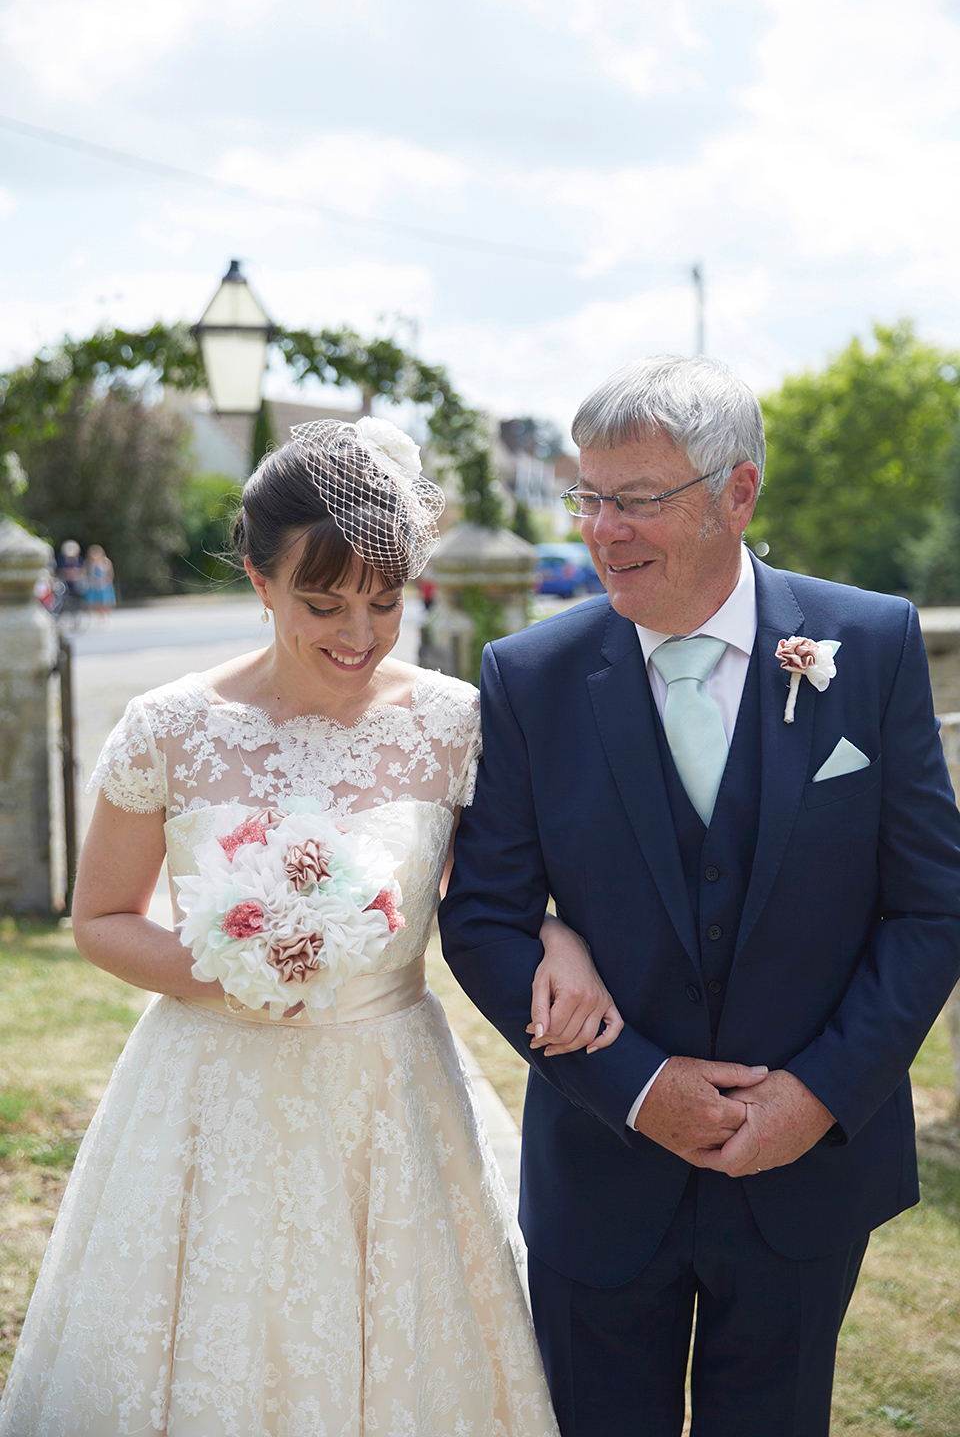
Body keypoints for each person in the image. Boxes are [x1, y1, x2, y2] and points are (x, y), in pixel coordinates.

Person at [0, 417, 614, 1436]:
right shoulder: (169, 727)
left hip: (392, 1087)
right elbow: (102, 919)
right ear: (257, 576)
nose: (360, 634)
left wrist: (560, 936)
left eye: (385, 602)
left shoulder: (455, 721)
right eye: (322, 602)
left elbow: (488, 895)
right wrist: (228, 971)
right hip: (209, 1092)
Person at [439, 355, 960, 1437]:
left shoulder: (869, 647)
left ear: (739, 494)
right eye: (587, 496)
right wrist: (637, 1086)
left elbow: (931, 904)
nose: (602, 530)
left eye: (638, 500)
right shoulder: (528, 676)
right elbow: (483, 916)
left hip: (810, 1178)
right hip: (601, 1174)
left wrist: (817, 1095)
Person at [83, 543, 116, 617]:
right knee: (95, 603)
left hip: (104, 585)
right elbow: (86, 573)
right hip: (94, 586)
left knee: (106, 602)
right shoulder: (88, 563)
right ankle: (99, 616)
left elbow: (110, 573)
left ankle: (106, 616)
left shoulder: (106, 562)